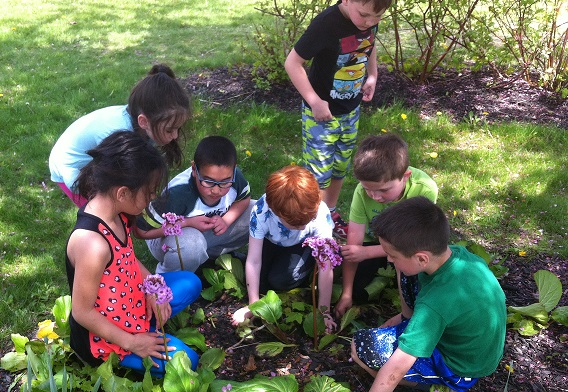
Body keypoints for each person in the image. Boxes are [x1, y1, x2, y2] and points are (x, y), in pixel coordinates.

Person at [333, 197, 507, 392]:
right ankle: (409, 324)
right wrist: (405, 319)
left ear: (422, 258)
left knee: (360, 348)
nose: (388, 259)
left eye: (392, 255)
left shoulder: (436, 303)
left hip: (461, 367)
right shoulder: (457, 256)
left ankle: (439, 388)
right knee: (406, 273)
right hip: (472, 345)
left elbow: (397, 366)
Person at [66, 131, 202, 378]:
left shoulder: (117, 212)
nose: (152, 198)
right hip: (108, 339)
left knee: (191, 283)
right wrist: (133, 343)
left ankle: (148, 324)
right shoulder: (92, 244)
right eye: (149, 192)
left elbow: (126, 258)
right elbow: (82, 312)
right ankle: (141, 339)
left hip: (130, 303)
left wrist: (152, 286)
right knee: (187, 362)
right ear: (122, 193)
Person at [284, 0, 394, 239]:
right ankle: (315, 225)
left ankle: (330, 212)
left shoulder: (369, 18)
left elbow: (369, 45)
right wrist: (314, 101)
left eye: (378, 17)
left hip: (350, 110)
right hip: (320, 114)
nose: (370, 22)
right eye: (364, 15)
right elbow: (293, 62)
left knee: (340, 168)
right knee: (318, 173)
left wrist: (372, 75)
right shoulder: (326, 24)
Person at [49, 64, 190, 206]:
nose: (175, 135)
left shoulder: (143, 122)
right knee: (104, 211)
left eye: (177, 128)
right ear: (143, 121)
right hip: (71, 169)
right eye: (169, 130)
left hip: (93, 165)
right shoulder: (117, 136)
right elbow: (112, 182)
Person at [335, 133, 438, 317]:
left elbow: (413, 243)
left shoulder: (425, 189)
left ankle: (399, 289)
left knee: (418, 285)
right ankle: (385, 278)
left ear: (405, 177)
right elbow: (354, 247)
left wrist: (367, 253)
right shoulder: (361, 192)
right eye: (368, 190)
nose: (375, 196)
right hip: (373, 243)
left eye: (383, 190)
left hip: (407, 248)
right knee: (358, 293)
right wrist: (346, 294)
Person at [231, 166, 335, 327]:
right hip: (272, 241)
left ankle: (303, 270)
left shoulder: (319, 215)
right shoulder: (261, 212)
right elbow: (253, 260)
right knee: (258, 282)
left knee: (281, 280)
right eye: (295, 224)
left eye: (306, 222)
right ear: (275, 212)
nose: (302, 227)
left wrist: (324, 312)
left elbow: (326, 267)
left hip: (303, 244)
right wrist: (254, 304)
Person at [135, 136, 253, 273]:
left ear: (234, 170)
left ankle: (207, 258)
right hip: (165, 237)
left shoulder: (235, 177)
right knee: (192, 245)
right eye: (208, 182)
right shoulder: (177, 195)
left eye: (225, 182)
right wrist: (187, 222)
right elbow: (140, 231)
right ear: (194, 170)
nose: (216, 190)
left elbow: (244, 198)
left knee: (258, 212)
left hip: (204, 232)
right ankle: (169, 279)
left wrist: (226, 220)